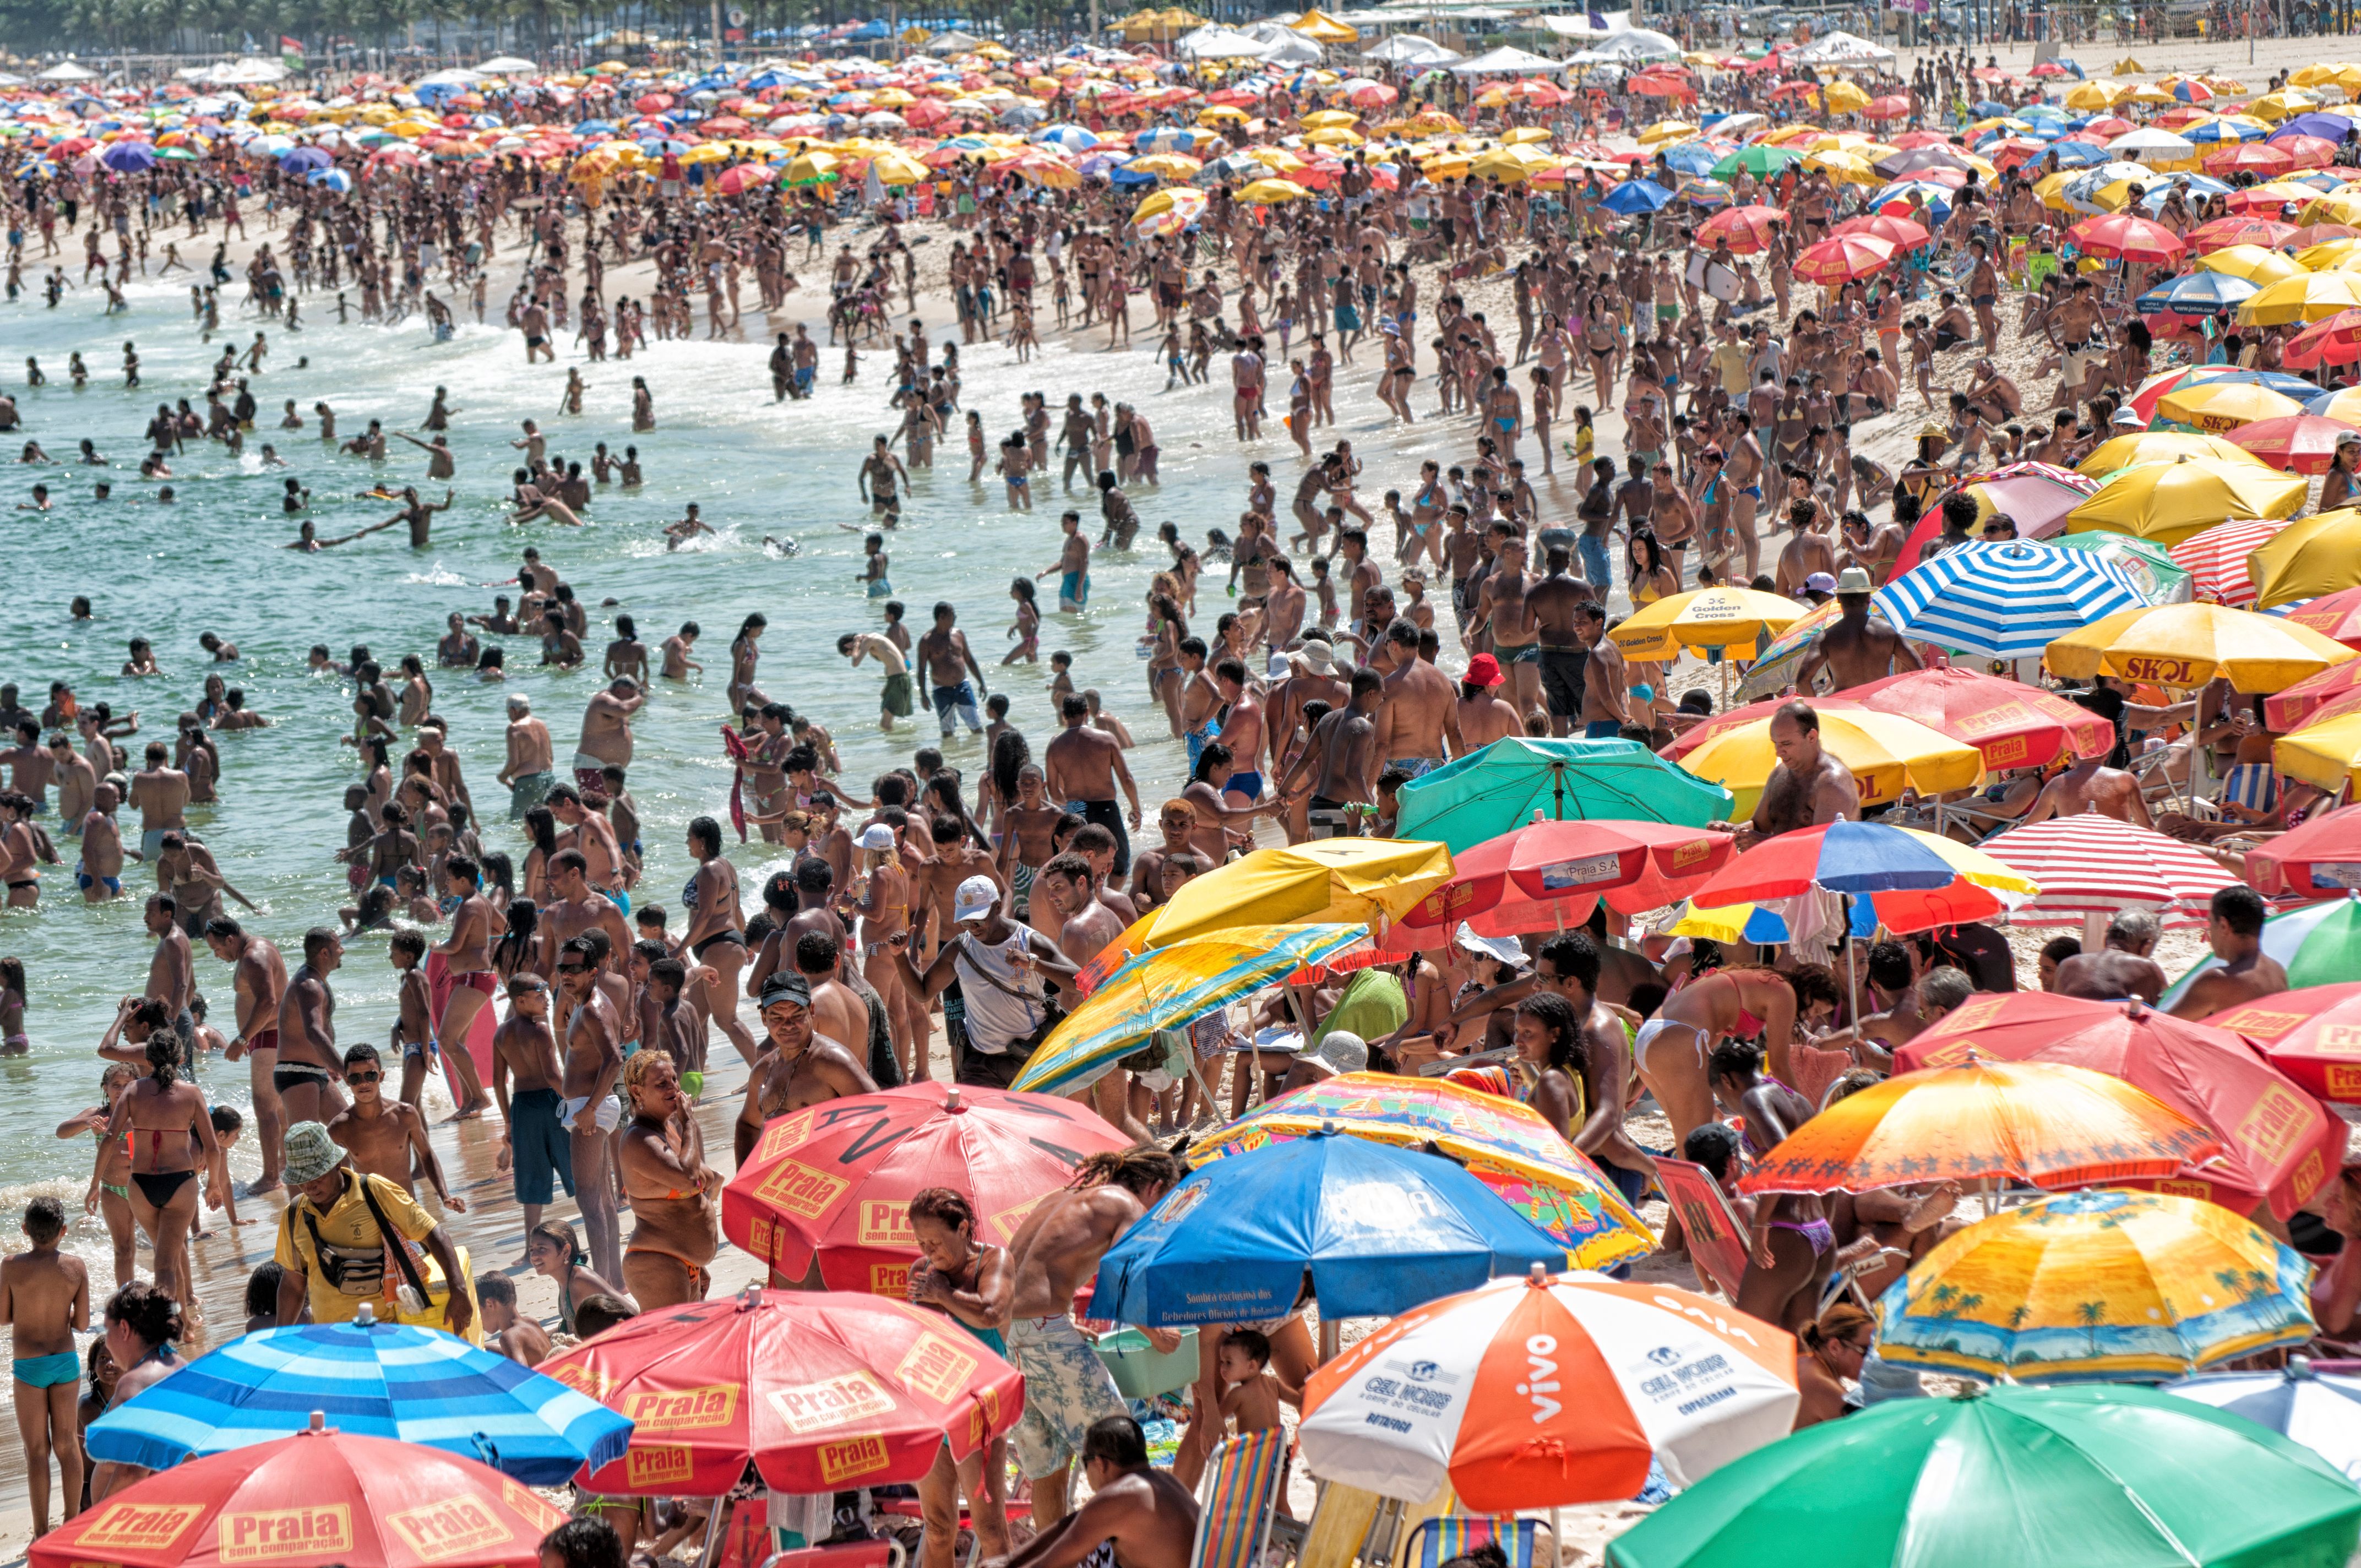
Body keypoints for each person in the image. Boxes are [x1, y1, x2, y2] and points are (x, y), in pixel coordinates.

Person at [1002, 1147, 1185, 1526]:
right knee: (1123, 1450)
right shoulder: (1124, 1203)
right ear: (1154, 1187)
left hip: (1008, 1338)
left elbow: (1026, 1274)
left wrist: (1063, 1322)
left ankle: (1054, 1555)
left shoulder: (1062, 1196)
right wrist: (1158, 1335)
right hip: (1045, 1334)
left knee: (1047, 1470)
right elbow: (1124, 1276)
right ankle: (1133, 1554)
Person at [271, 1120, 478, 1341]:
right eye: (302, 1181)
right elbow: (294, 1283)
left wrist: (459, 1291)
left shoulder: (374, 1191)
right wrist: (279, 1337)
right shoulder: (294, 1213)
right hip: (332, 1340)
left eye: (317, 1176)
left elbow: (434, 1234)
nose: (310, 1186)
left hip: (387, 1333)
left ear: (336, 1164)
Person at [888, 875, 1080, 1090]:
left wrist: (1033, 964)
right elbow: (923, 992)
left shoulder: (1028, 941)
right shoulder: (959, 949)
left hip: (1029, 1060)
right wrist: (899, 957)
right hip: (979, 1065)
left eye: (978, 919)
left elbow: (1079, 981)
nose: (973, 927)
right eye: (966, 921)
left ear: (997, 907)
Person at [908, 1188, 1014, 1568]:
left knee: (989, 1526)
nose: (929, 1250)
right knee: (937, 1526)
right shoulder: (924, 1271)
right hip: (933, 1401)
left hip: (981, 1401)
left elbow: (991, 1313)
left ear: (964, 1228)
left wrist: (944, 1294)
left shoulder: (993, 1261)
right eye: (921, 1242)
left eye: (936, 1241)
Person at [995, 1415, 1199, 1568]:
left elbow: (1051, 1563)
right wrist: (1010, 1561)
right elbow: (1073, 1524)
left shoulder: (1121, 1496)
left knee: (1087, 1553)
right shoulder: (1166, 1483)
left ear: (1100, 1463)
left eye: (1085, 1463)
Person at [1, 1196, 88, 1534]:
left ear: (25, 1229)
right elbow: (81, 1324)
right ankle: (73, 1524)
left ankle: (40, 1533)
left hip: (29, 1364)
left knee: (37, 1451)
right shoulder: (76, 1266)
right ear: (63, 1230)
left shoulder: (10, 1265)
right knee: (67, 1443)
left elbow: (4, 1317)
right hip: (65, 1361)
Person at [617, 1049, 720, 1309]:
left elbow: (703, 1180)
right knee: (671, 1346)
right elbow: (687, 1179)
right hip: (657, 1262)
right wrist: (689, 1124)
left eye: (674, 1079)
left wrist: (697, 1261)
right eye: (661, 1084)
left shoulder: (666, 1129)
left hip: (682, 1261)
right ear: (638, 1092)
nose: (673, 1088)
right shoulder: (639, 1140)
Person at [2168, 885, 2288, 1018]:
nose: (2209, 932)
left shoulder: (2218, 981)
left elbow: (2167, 1026)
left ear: (2224, 926)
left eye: (2211, 923)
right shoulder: (2278, 972)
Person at [2054, 909, 2169, 1004]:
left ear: (2106, 939)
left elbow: (2056, 1008)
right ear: (2146, 946)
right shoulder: (2146, 969)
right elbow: (2167, 1013)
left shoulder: (2067, 965)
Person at [1794, 1302, 1876, 1429]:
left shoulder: (1802, 1361)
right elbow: (1868, 1432)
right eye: (1865, 1352)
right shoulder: (1824, 1386)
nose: (1873, 1360)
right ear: (1835, 1347)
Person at [476, 1272, 550, 1367]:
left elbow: (521, 1376)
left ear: (490, 1304)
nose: (478, 1319)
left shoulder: (509, 1338)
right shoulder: (531, 1323)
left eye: (478, 1311)